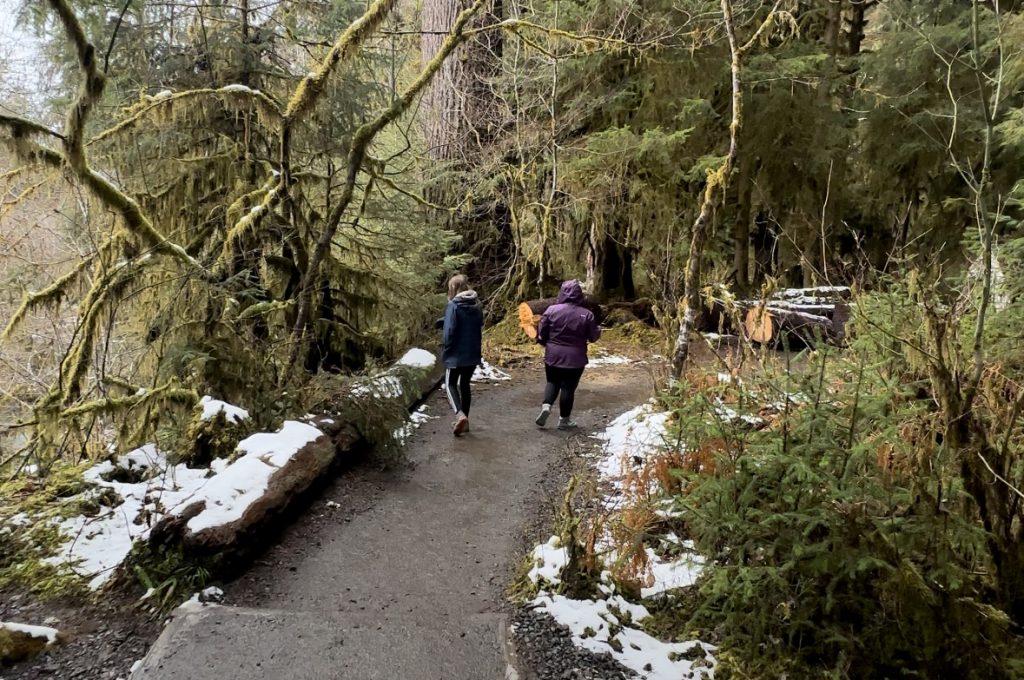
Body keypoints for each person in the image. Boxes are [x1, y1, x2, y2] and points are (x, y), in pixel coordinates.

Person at [535, 279, 600, 430]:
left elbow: (542, 332)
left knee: (552, 382)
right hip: (576, 357)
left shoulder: (551, 310)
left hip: (553, 354)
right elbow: (593, 337)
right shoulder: (587, 314)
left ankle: (546, 406)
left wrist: (543, 341)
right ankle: (564, 421)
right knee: (568, 388)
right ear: (579, 295)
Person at [442, 274, 483, 436]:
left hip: (455, 355)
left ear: (453, 289)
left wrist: (446, 346)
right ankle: (465, 420)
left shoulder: (454, 305)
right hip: (472, 352)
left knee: (450, 384)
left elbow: (449, 332)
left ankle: (459, 415)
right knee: (465, 384)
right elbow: (479, 323)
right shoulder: (477, 304)